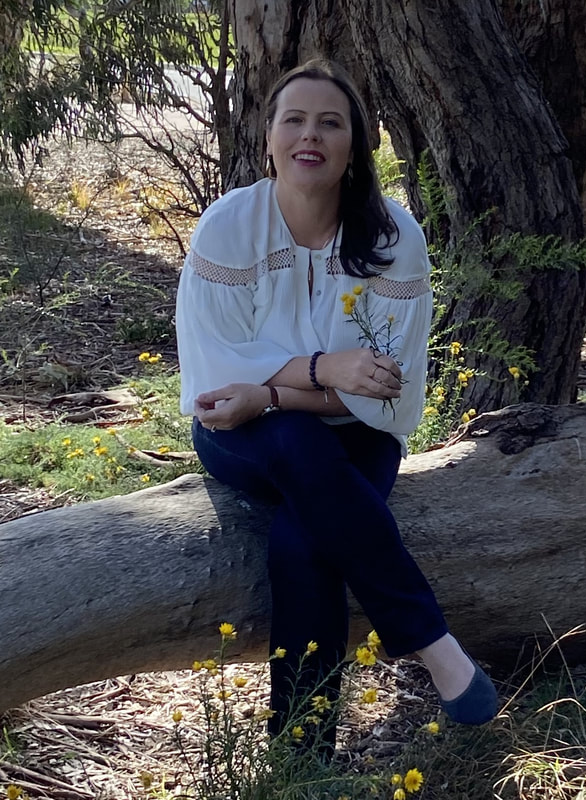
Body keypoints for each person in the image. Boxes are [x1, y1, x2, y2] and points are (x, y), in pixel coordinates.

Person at [175, 58, 497, 752]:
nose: (309, 135)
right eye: (294, 120)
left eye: (330, 122)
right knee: (293, 440)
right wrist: (324, 369)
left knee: (304, 540)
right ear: (268, 137)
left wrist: (273, 389)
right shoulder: (229, 229)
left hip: (361, 436)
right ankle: (432, 642)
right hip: (240, 432)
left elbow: (386, 389)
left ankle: (301, 754)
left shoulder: (391, 240)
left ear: (355, 145)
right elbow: (217, 375)